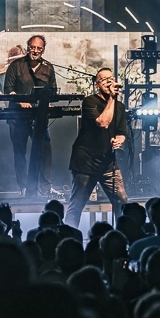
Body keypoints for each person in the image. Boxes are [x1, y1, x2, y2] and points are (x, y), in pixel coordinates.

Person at [64, 67, 129, 231]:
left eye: (111, 78)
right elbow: (103, 122)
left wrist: (119, 141)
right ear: (96, 85)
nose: (109, 82)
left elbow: (122, 133)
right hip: (86, 161)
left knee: (122, 202)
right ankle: (68, 236)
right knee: (77, 204)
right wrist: (111, 99)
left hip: (107, 162)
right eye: (104, 79)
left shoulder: (120, 107)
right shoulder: (90, 101)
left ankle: (124, 235)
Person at [3, 34, 57, 197]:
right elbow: (8, 89)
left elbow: (53, 90)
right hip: (18, 117)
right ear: (28, 47)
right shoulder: (16, 65)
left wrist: (49, 102)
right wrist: (20, 101)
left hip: (39, 116)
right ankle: (24, 187)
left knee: (45, 149)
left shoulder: (48, 67)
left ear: (43, 50)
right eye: (33, 47)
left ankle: (45, 186)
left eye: (39, 48)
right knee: (20, 152)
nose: (35, 51)